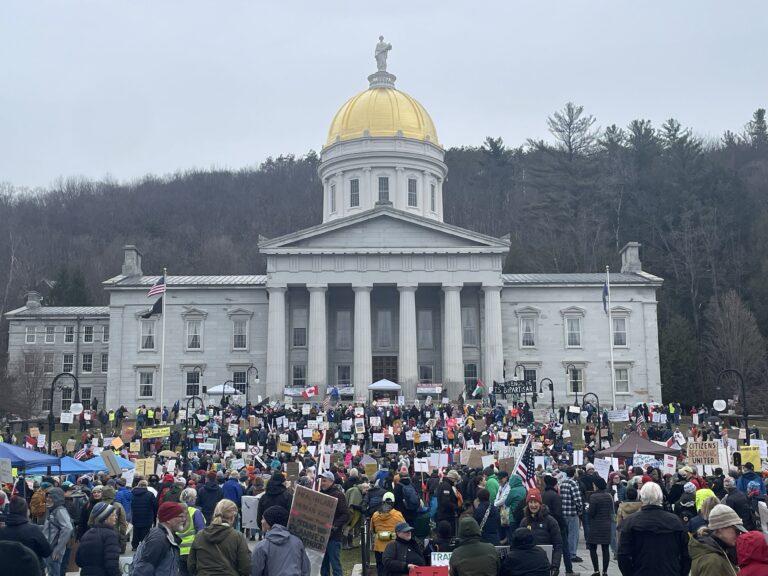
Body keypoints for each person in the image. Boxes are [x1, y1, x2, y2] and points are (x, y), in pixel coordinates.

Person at [617, 482, 691, 576]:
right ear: (661, 497)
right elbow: (686, 554)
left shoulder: (630, 522)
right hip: (671, 571)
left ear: (641, 497)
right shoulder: (676, 522)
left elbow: (623, 555)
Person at [188, 499, 250, 576]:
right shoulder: (237, 536)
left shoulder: (200, 535)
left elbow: (191, 564)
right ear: (233, 517)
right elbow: (245, 567)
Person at [130, 501, 187, 576]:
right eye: (180, 516)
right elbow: (143, 569)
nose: (184, 519)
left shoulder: (166, 537)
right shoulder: (158, 538)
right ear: (168, 519)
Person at [250, 505, 310, 576]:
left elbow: (254, 572)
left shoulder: (262, 546)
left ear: (269, 522)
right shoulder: (297, 542)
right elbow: (305, 570)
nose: (261, 521)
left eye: (263, 518)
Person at [688, 504, 745, 575]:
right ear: (720, 528)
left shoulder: (718, 552)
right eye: (736, 530)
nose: (738, 534)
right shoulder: (712, 561)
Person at [0, 497, 51, 574]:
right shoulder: (34, 530)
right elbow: (46, 552)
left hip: (7, 571)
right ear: (25, 511)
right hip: (32, 570)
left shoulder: (2, 531)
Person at [519, 489, 562, 575]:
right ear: (527, 504)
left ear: (540, 504)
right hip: (529, 564)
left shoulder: (551, 521)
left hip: (545, 564)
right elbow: (518, 544)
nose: (533, 505)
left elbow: (558, 545)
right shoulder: (524, 521)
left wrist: (555, 566)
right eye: (531, 502)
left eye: (536, 502)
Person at [75, 502, 120, 576]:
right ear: (105, 518)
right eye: (113, 515)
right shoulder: (111, 535)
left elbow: (78, 561)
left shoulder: (87, 534)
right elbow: (112, 564)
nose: (116, 517)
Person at [319, 471, 350, 576]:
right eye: (321, 481)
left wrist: (334, 526)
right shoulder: (320, 494)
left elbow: (346, 514)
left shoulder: (338, 495)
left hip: (333, 536)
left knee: (335, 564)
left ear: (331, 481)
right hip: (321, 535)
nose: (322, 483)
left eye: (324, 480)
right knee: (323, 564)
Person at [370, 492, 405, 576]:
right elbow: (404, 528)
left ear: (382, 502)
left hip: (379, 547)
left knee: (380, 568)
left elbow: (372, 529)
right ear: (393, 503)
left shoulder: (375, 515)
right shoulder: (397, 515)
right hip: (393, 547)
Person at [42, 487, 73, 576]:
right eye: (47, 497)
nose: (48, 499)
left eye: (51, 497)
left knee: (54, 572)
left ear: (57, 498)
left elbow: (68, 528)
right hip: (51, 548)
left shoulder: (60, 511)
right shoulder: (53, 510)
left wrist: (58, 549)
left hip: (54, 549)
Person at [586, 476, 613, 576]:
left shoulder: (594, 497)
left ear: (596, 486)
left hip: (596, 525)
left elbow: (591, 512)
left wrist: (587, 510)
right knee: (605, 548)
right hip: (606, 524)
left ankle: (596, 570)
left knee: (593, 547)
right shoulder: (609, 496)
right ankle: (605, 571)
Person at [177, 488, 205, 576]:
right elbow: (201, 532)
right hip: (192, 550)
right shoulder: (195, 512)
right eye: (195, 497)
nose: (196, 498)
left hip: (178, 550)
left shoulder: (176, 510)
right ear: (192, 499)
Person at [256, 473, 293, 538]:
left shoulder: (264, 497)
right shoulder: (288, 496)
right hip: (284, 533)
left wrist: (264, 528)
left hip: (268, 532)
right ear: (282, 482)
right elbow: (292, 515)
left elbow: (259, 516)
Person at [559, 467, 583, 565]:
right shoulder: (573, 483)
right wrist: (580, 510)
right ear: (574, 473)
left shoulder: (563, 482)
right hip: (572, 512)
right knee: (573, 535)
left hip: (564, 512)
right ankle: (572, 554)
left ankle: (566, 553)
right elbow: (577, 499)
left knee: (566, 534)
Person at [131, 479, 158, 551]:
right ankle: (144, 546)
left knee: (136, 530)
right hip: (147, 516)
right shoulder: (150, 494)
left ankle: (135, 545)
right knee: (145, 532)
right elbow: (155, 506)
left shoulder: (132, 493)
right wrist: (155, 515)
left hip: (135, 515)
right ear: (146, 486)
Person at [436, 470, 461, 536]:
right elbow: (445, 502)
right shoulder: (446, 486)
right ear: (452, 479)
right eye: (456, 480)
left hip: (443, 514)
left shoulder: (443, 484)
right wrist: (456, 508)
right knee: (448, 535)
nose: (456, 482)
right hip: (446, 515)